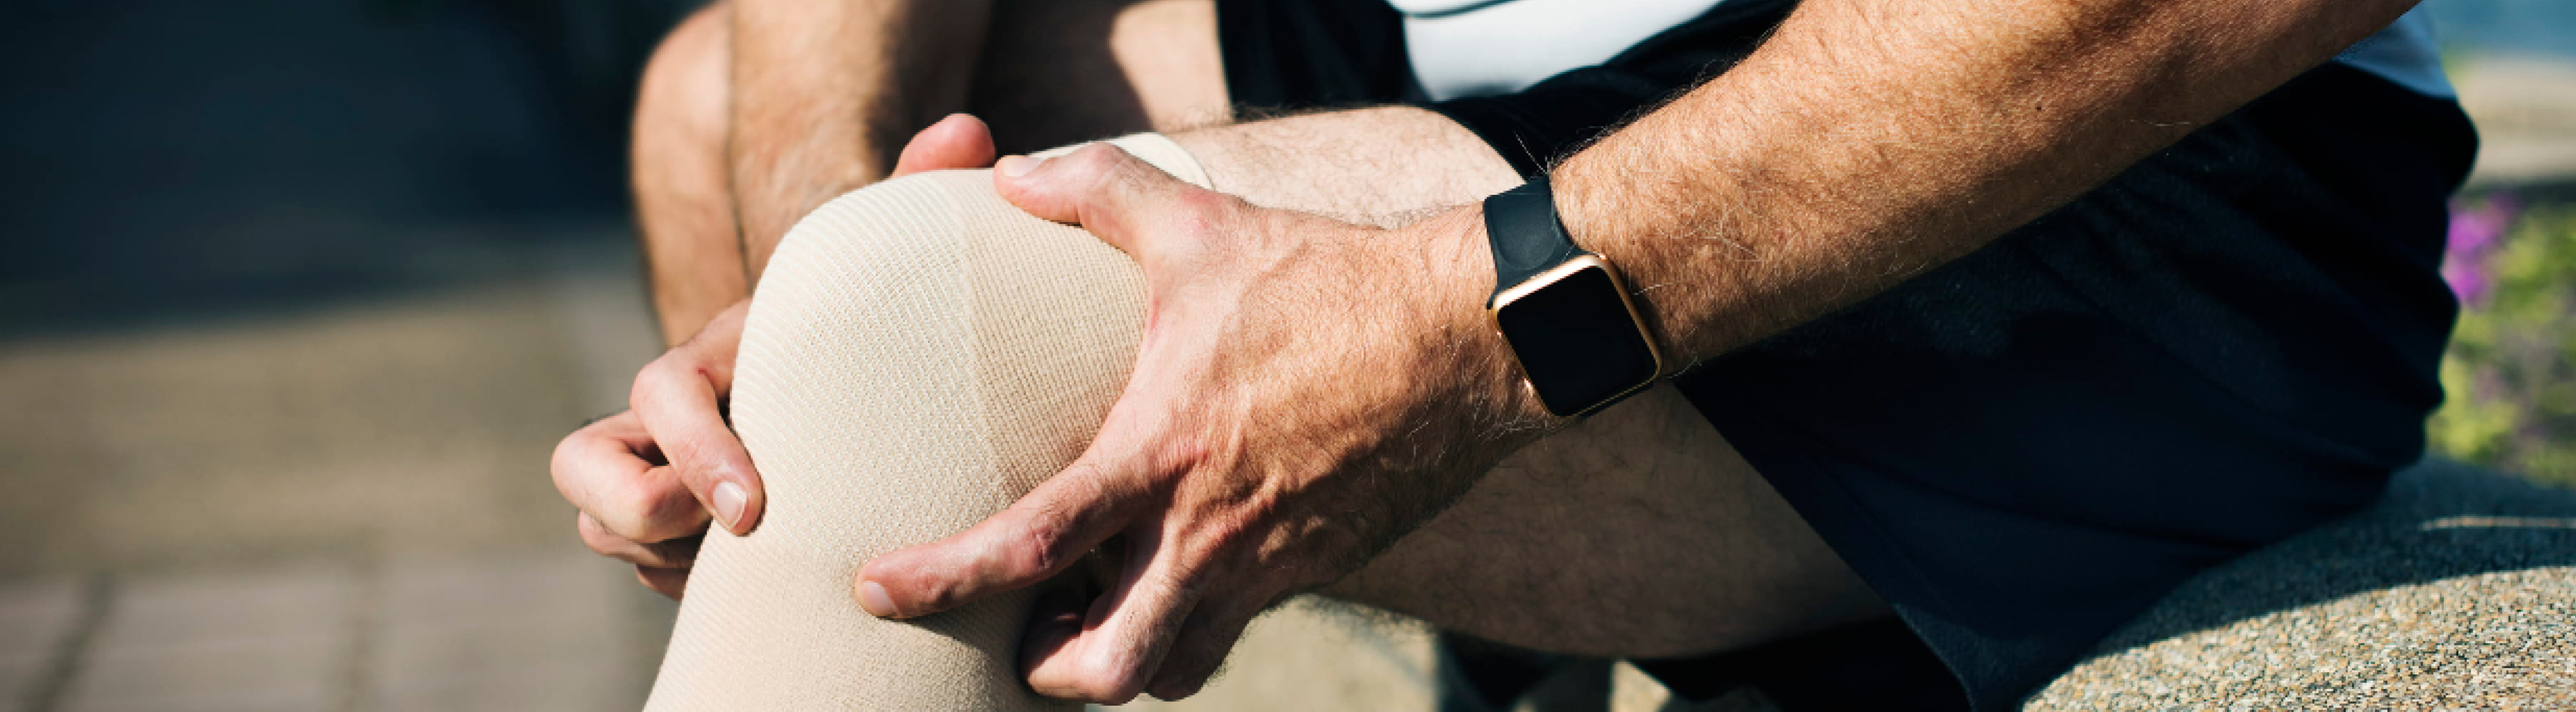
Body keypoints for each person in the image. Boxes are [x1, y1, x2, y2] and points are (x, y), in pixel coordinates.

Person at [548, 0, 2478, 708]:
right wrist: (796, 303)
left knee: (925, 320)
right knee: (729, 111)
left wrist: (1493, 316)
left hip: (2087, 142)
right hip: (1477, 54)